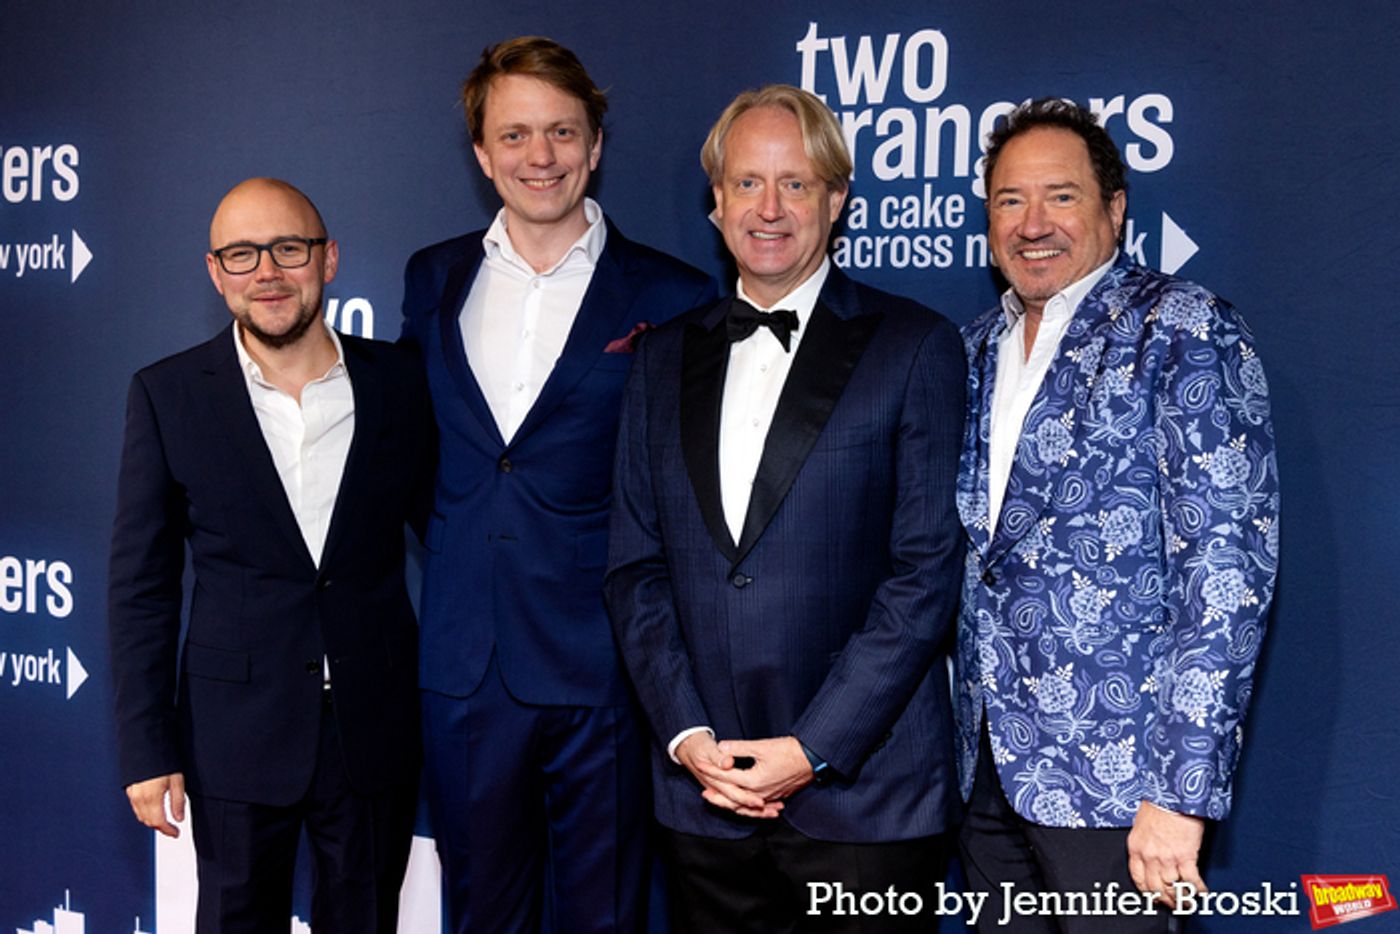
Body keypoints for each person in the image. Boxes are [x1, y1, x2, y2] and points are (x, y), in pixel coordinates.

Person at [604, 84, 966, 933]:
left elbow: (924, 575)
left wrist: (810, 749)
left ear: (837, 199)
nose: (769, 209)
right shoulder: (659, 361)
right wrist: (688, 737)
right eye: (747, 183)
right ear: (717, 200)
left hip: (865, 802)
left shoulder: (915, 346)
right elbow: (635, 568)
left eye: (796, 184)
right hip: (705, 799)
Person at [399, 36, 715, 933]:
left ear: (596, 145)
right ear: (481, 154)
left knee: (603, 917)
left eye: (562, 132)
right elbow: (420, 456)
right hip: (464, 665)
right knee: (481, 916)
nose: (540, 157)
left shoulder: (675, 293)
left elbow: (682, 490)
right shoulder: (432, 278)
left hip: (606, 662)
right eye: (515, 135)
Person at [954, 98, 1280, 933]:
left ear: (1114, 207)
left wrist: (1179, 794)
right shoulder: (971, 348)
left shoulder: (1184, 330)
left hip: (1122, 783)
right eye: (1009, 200)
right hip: (985, 773)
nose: (1033, 224)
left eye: (1060, 196)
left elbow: (1226, 573)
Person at [108, 177, 434, 933]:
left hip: (374, 722)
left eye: (288, 248)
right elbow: (141, 586)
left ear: (328, 259)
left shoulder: (401, 383)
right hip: (234, 730)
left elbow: (449, 532)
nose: (268, 272)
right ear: (215, 272)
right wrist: (146, 747)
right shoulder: (168, 394)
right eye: (243, 254)